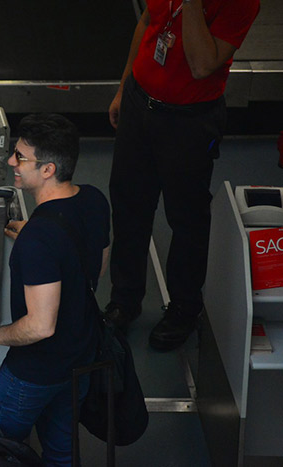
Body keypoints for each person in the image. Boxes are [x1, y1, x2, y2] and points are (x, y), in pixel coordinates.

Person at [0, 114, 110, 466]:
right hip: (80, 361)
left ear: (48, 169)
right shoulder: (95, 201)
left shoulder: (39, 238)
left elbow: (40, 326)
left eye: (20, 157)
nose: (11, 163)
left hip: (33, 375)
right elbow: (94, 267)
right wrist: (43, 243)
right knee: (62, 454)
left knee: (1, 454)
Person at [105, 0, 260, 351]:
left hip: (189, 121)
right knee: (129, 205)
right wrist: (124, 86)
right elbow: (148, 20)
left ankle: (184, 309)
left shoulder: (242, 3)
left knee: (187, 218)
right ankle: (124, 300)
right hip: (139, 102)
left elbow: (203, 64)